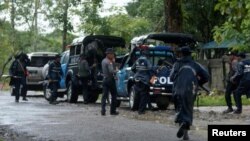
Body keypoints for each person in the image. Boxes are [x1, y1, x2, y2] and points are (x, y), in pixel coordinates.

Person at [170, 46, 209, 140]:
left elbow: (171, 77)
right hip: (191, 89)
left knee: (180, 108)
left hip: (178, 89)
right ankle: (186, 131)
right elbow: (206, 76)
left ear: (181, 54)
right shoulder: (195, 65)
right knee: (188, 109)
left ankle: (183, 125)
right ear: (190, 54)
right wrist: (199, 82)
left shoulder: (177, 64)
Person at [131, 49, 154, 114]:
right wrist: (152, 77)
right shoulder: (147, 60)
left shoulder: (137, 60)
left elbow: (132, 68)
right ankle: (141, 111)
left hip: (137, 79)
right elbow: (150, 69)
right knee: (143, 96)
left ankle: (135, 108)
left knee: (137, 95)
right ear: (147, 55)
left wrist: (138, 73)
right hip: (144, 80)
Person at [101, 48, 119, 116]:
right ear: (109, 54)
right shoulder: (109, 62)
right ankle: (112, 111)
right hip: (110, 80)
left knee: (104, 96)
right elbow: (111, 71)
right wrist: (116, 69)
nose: (113, 56)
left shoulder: (103, 60)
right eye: (112, 54)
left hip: (104, 79)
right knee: (114, 95)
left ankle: (103, 110)